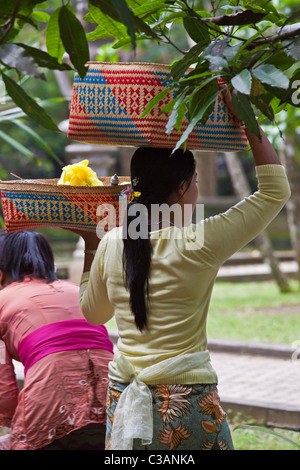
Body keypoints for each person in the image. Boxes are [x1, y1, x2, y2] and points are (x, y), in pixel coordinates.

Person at [78, 93, 291, 450]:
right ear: (181, 188)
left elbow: (94, 314)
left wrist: (90, 245)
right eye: (193, 184)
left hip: (123, 400)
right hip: (186, 405)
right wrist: (247, 120)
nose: (195, 191)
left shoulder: (112, 240)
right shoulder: (200, 241)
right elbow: (274, 191)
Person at [0, 231, 114, 450]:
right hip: (111, 388)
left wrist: (14, 422)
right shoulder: (76, 290)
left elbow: (3, 388)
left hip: (50, 392)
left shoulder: (2, 300)